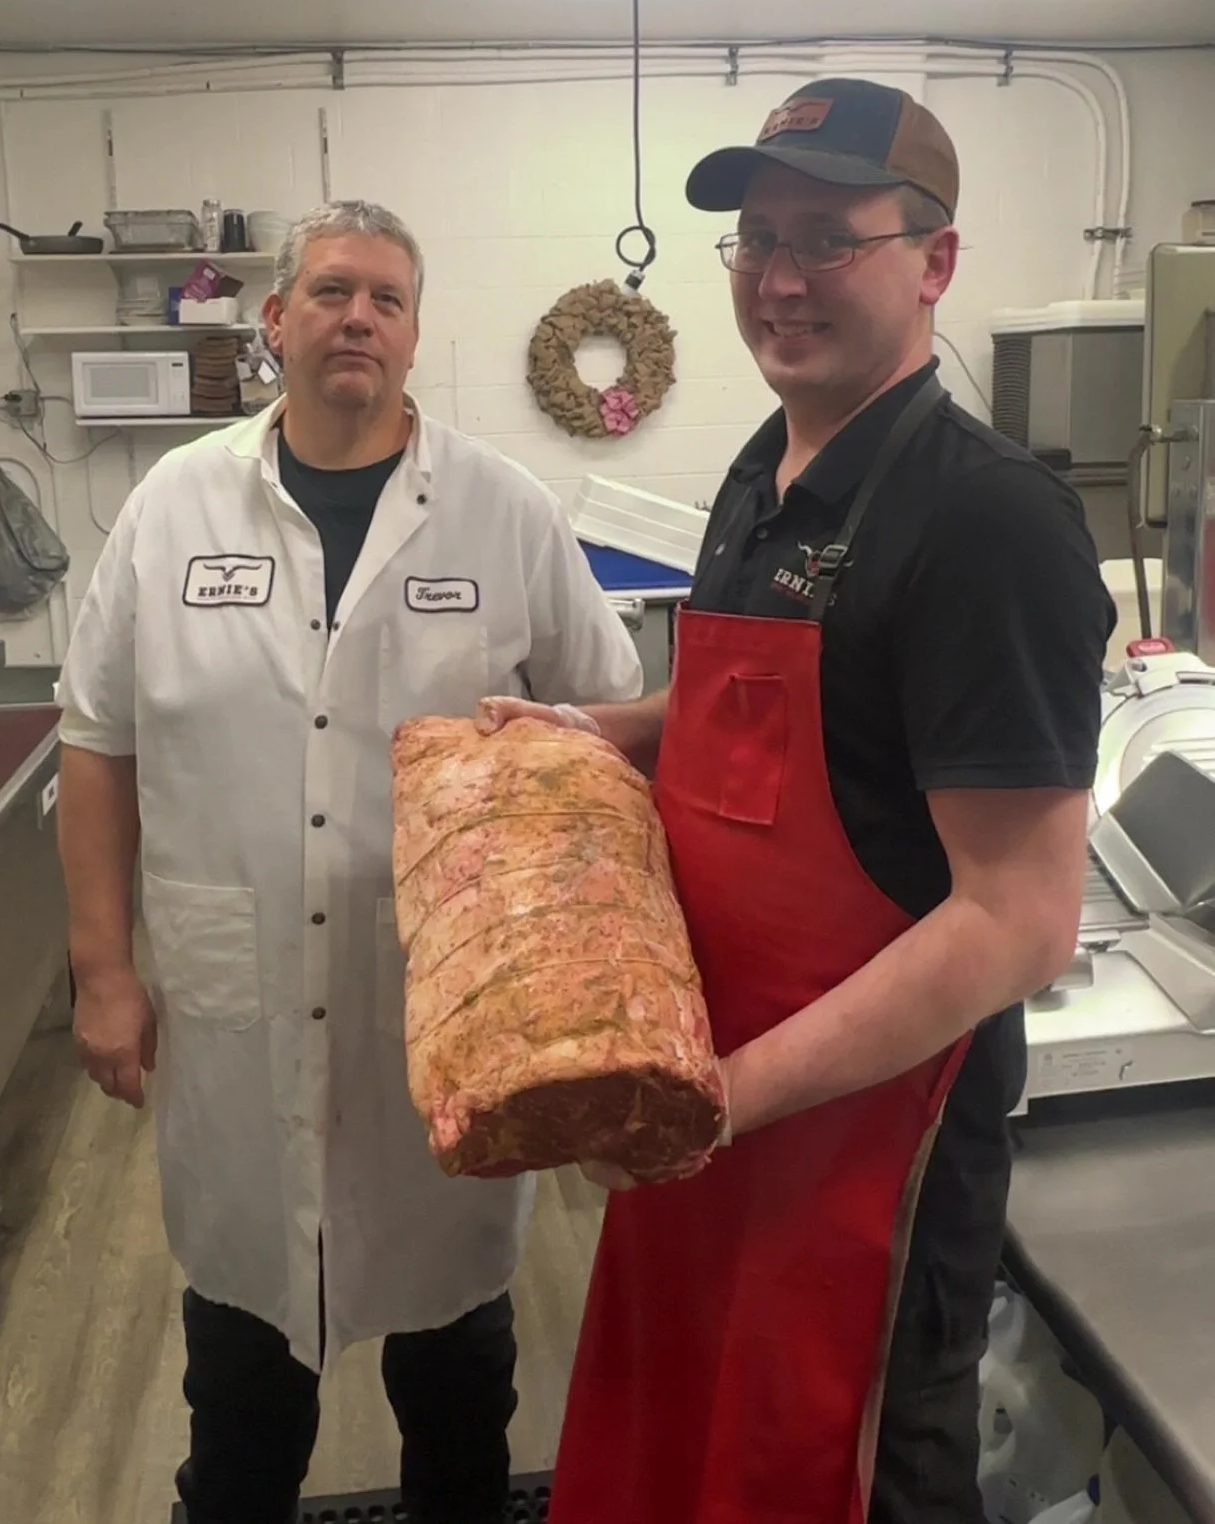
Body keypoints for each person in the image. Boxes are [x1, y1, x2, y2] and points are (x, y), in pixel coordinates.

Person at [480, 79, 1114, 1524]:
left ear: (934, 261)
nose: (777, 279)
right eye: (758, 239)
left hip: (859, 1159)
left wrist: (723, 1102)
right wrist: (600, 731)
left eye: (829, 239)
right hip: (712, 1106)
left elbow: (1019, 922)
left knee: (832, 1477)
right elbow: (771, 713)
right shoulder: (762, 470)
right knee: (694, 1456)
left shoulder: (987, 520)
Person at [55, 198, 641, 1524]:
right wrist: (102, 971)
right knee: (242, 1405)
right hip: (239, 1007)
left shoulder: (502, 511)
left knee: (460, 1390)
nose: (357, 318)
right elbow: (95, 744)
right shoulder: (173, 506)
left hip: (447, 1019)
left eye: (386, 298)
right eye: (329, 291)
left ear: (416, 333)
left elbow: (605, 728)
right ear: (275, 320)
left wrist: (579, 991)